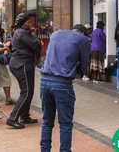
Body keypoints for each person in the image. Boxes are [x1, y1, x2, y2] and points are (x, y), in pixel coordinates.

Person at [40, 24, 90, 152]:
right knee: (65, 123)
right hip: (62, 83)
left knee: (47, 121)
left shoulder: (55, 34)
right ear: (83, 33)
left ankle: (45, 150)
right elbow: (85, 67)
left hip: (45, 81)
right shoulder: (83, 40)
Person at [6, 12, 41, 129]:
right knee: (26, 92)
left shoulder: (22, 32)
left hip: (23, 64)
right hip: (22, 64)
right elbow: (36, 44)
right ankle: (12, 118)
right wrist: (34, 34)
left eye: (32, 21)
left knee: (28, 91)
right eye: (29, 22)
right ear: (22, 23)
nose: (31, 24)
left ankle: (24, 116)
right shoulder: (22, 32)